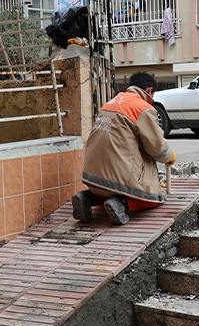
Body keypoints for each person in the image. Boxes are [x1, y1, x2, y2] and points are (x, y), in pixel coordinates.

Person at [71, 71, 176, 225]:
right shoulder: (143, 108)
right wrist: (170, 156)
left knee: (106, 191)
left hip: (92, 179)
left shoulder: (110, 103)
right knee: (153, 198)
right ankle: (121, 204)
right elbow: (157, 148)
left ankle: (87, 197)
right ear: (149, 91)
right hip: (117, 182)